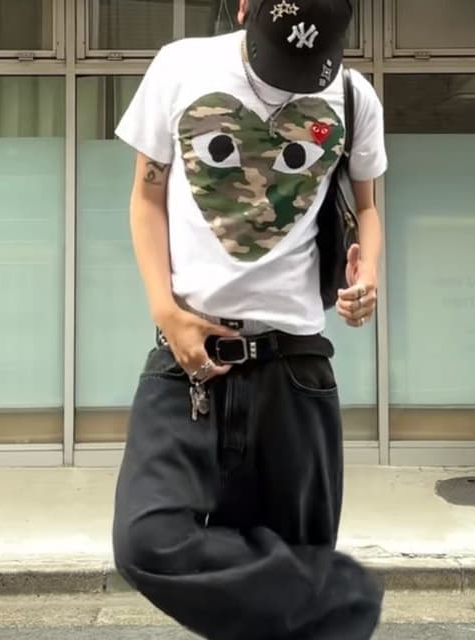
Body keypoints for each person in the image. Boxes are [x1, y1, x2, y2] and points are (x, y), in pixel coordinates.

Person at [112, 0, 388, 638]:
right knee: (148, 540)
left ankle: (319, 601)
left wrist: (367, 272)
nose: (290, 76)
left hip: (295, 365)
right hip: (188, 359)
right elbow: (146, 196)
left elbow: (369, 208)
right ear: (244, 8)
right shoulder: (180, 67)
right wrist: (166, 311)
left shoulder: (353, 97)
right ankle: (339, 600)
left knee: (281, 584)